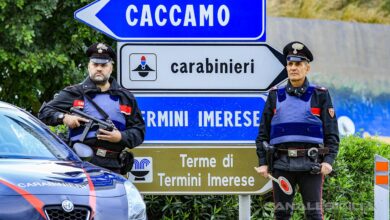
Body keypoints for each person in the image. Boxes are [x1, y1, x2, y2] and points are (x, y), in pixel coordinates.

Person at [254, 41, 339, 219]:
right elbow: (263, 133)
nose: (294, 68)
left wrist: (328, 161)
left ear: (307, 68)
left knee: (314, 214)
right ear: (286, 67)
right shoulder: (275, 95)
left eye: (298, 64)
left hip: (312, 165)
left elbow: (332, 134)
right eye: (290, 64)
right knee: (282, 213)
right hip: (281, 164)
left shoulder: (320, 95)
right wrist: (263, 162)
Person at [38, 42, 145, 174]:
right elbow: (44, 113)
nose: (99, 68)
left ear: (111, 68)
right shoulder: (74, 92)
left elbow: (139, 131)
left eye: (104, 65)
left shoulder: (126, 97)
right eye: (95, 64)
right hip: (80, 164)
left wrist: (120, 137)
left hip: (113, 166)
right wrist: (64, 118)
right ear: (89, 66)